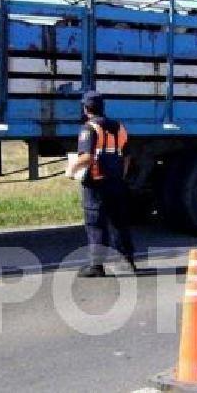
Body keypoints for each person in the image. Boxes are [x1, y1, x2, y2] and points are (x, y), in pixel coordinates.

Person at [66, 90, 138, 277]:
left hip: (96, 184)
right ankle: (127, 262)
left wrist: (71, 170)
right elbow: (127, 155)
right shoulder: (119, 127)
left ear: (86, 108)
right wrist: (120, 174)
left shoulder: (89, 129)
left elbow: (88, 157)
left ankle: (96, 267)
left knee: (95, 224)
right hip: (116, 183)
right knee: (119, 223)